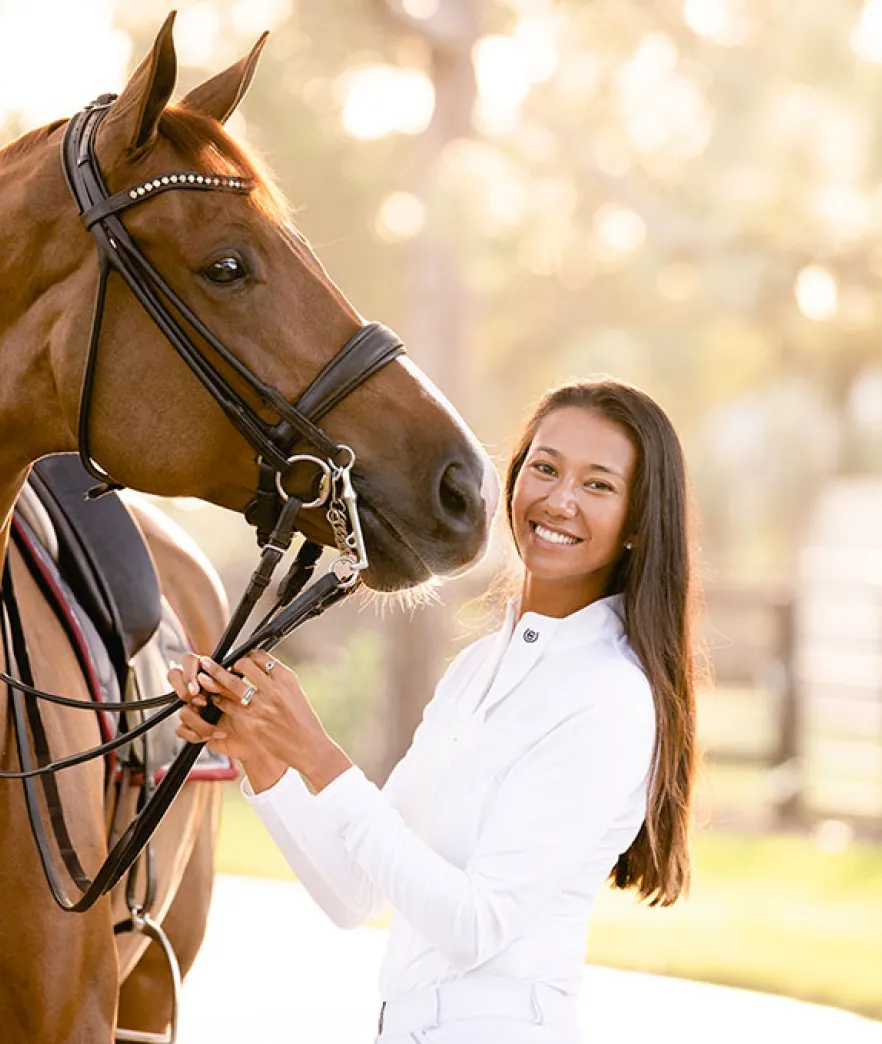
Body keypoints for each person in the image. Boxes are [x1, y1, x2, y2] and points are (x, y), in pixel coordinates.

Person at [171, 377, 699, 1043]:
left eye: (598, 485)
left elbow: (476, 927)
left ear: (636, 522)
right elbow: (353, 893)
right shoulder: (481, 667)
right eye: (544, 467)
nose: (559, 500)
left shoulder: (609, 696)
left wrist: (318, 754)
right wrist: (262, 757)